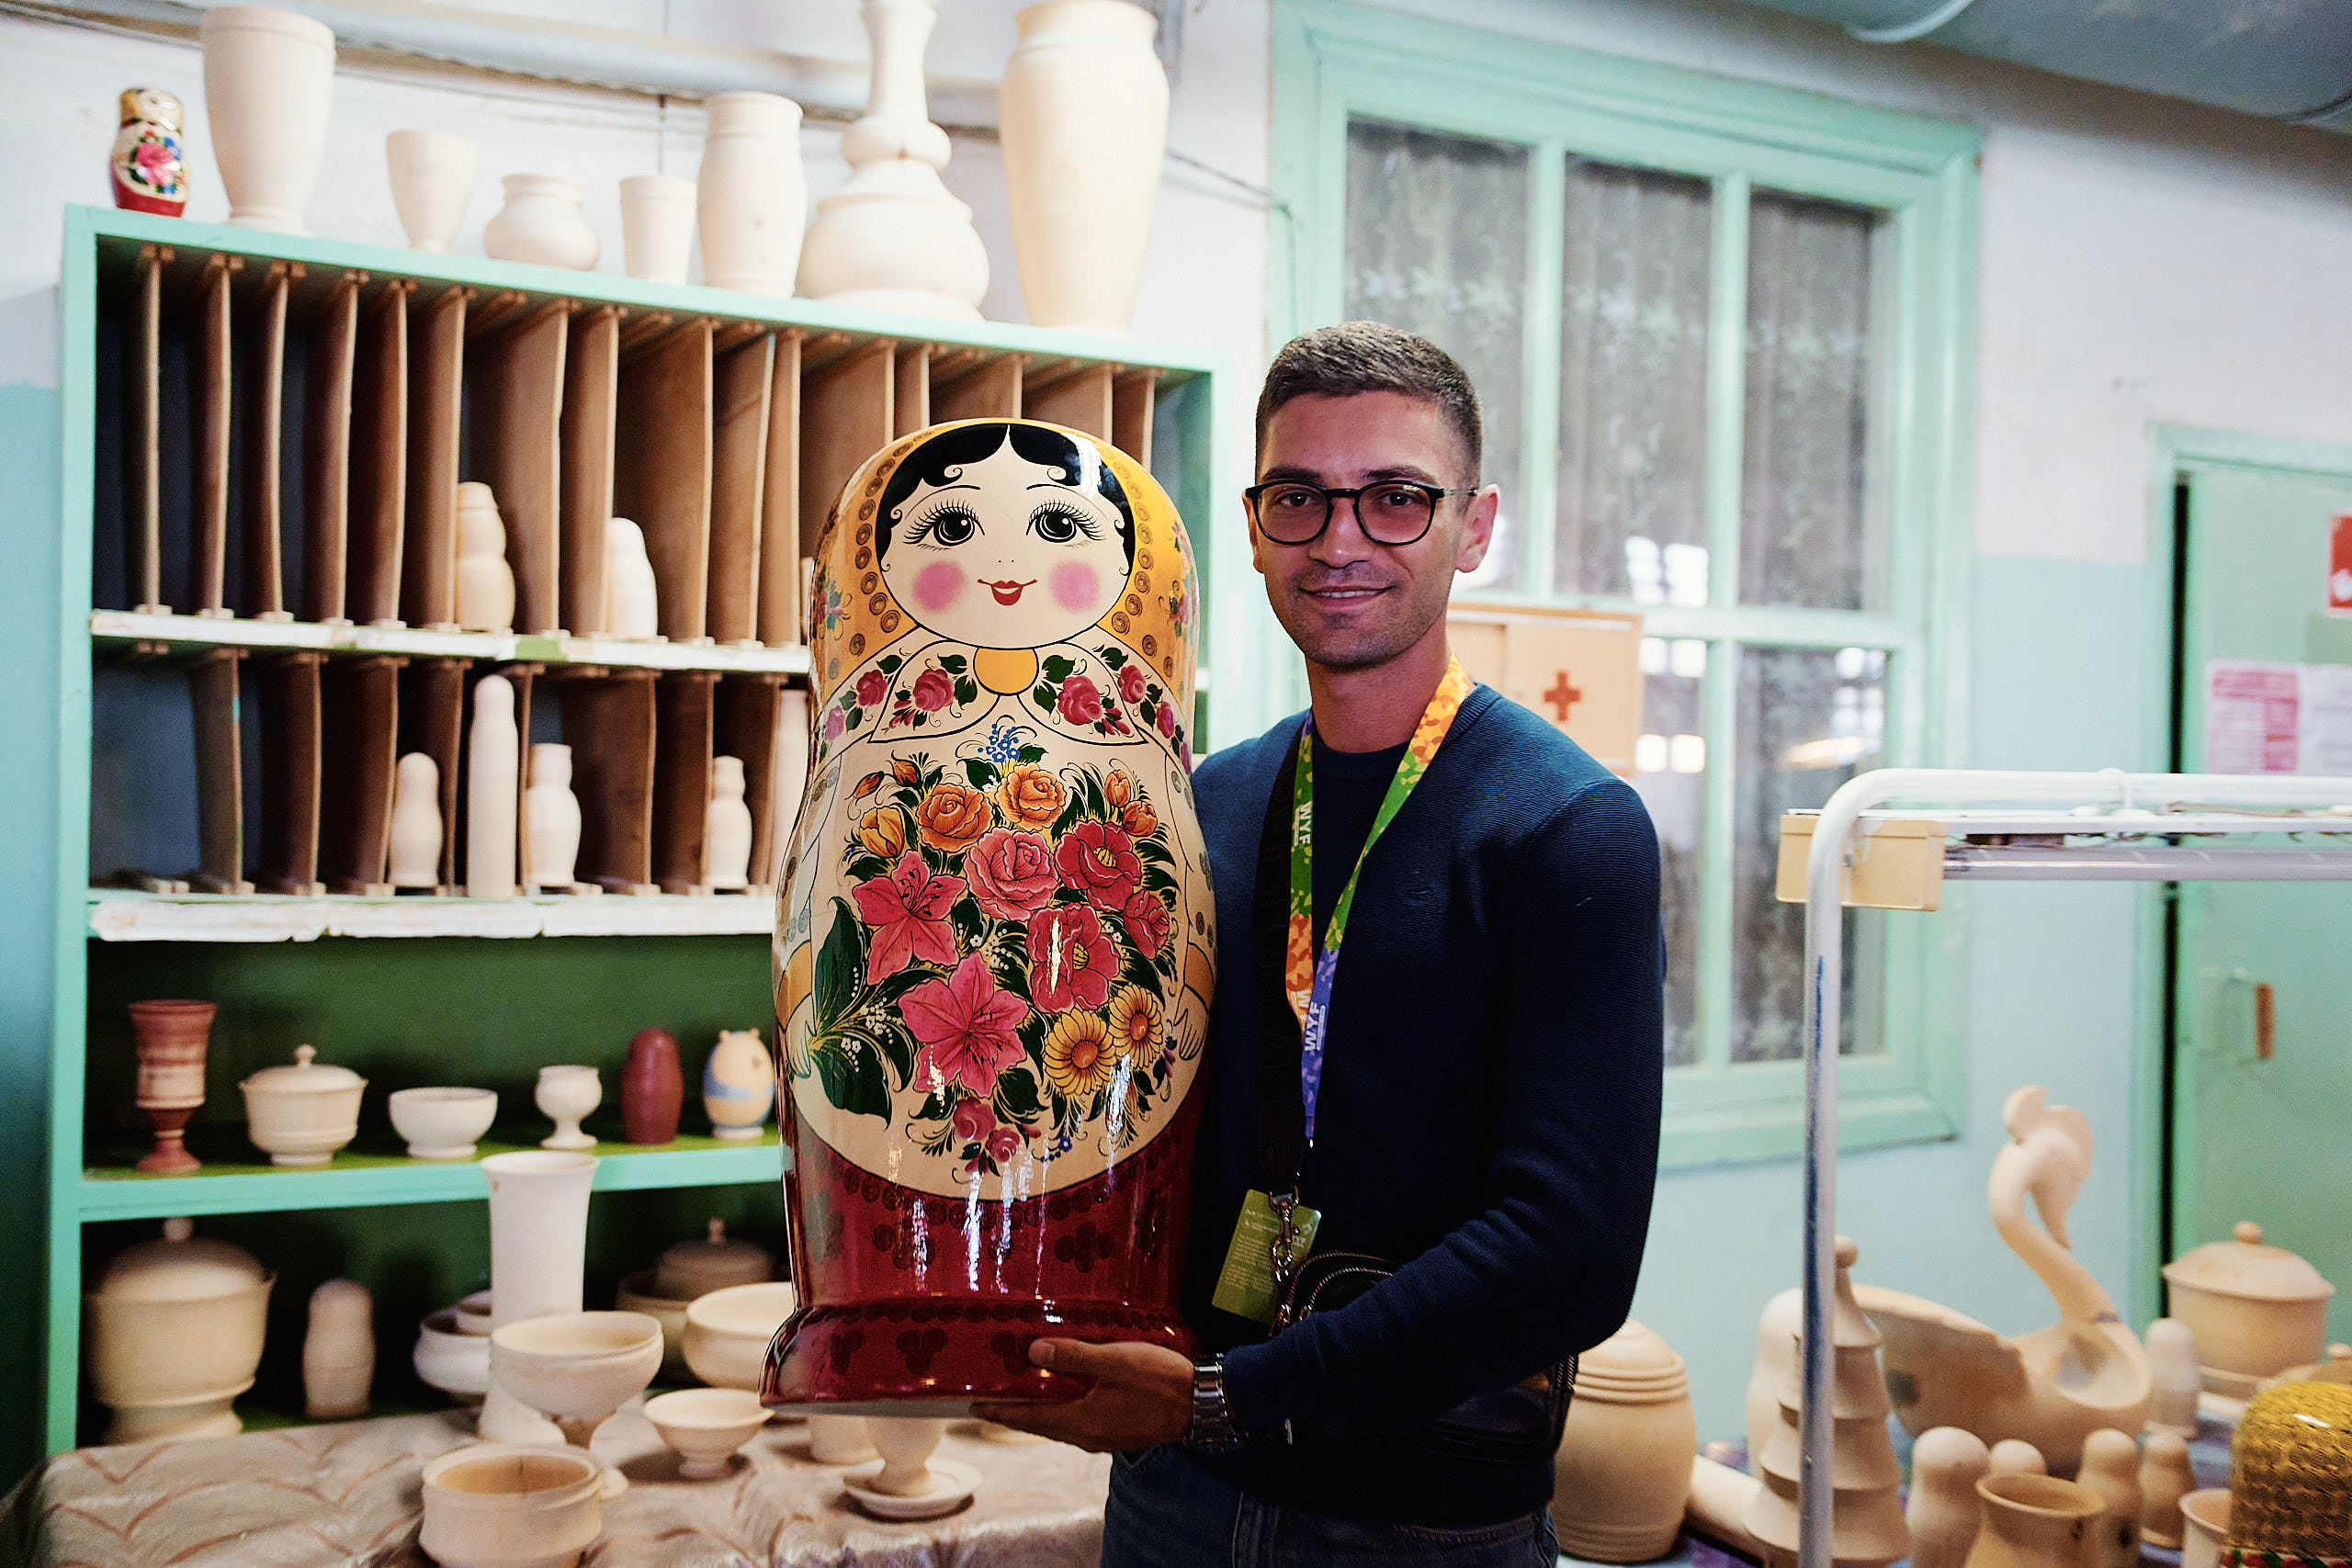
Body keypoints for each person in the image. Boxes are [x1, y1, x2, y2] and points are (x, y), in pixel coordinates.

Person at [975, 321, 1665, 1566]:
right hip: (1175, 1497)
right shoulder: (1208, 801)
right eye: (1299, 497)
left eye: (1396, 497)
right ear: (1253, 528)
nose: (1341, 540)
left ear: (1475, 525)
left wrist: (1228, 1396)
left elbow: (1570, 1257)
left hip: (1422, 1524)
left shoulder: (1569, 830)